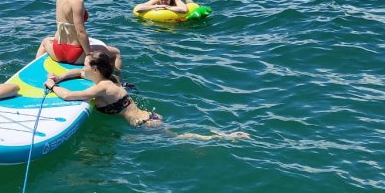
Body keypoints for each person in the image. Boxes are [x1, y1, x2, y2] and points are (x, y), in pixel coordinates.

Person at [44, 52, 248, 140]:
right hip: (149, 116)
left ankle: (223, 137)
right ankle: (221, 136)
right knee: (176, 134)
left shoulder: (102, 87)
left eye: (86, 66)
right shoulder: (110, 80)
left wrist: (52, 86)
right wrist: (60, 76)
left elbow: (70, 96)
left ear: (96, 70)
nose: (83, 68)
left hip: (144, 124)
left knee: (180, 138)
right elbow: (79, 73)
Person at [36, 0, 122, 69]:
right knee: (116, 53)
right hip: (74, 54)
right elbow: (80, 32)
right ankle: (117, 77)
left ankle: (36, 69)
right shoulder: (77, 2)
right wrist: (89, 55)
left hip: (57, 51)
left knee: (45, 41)